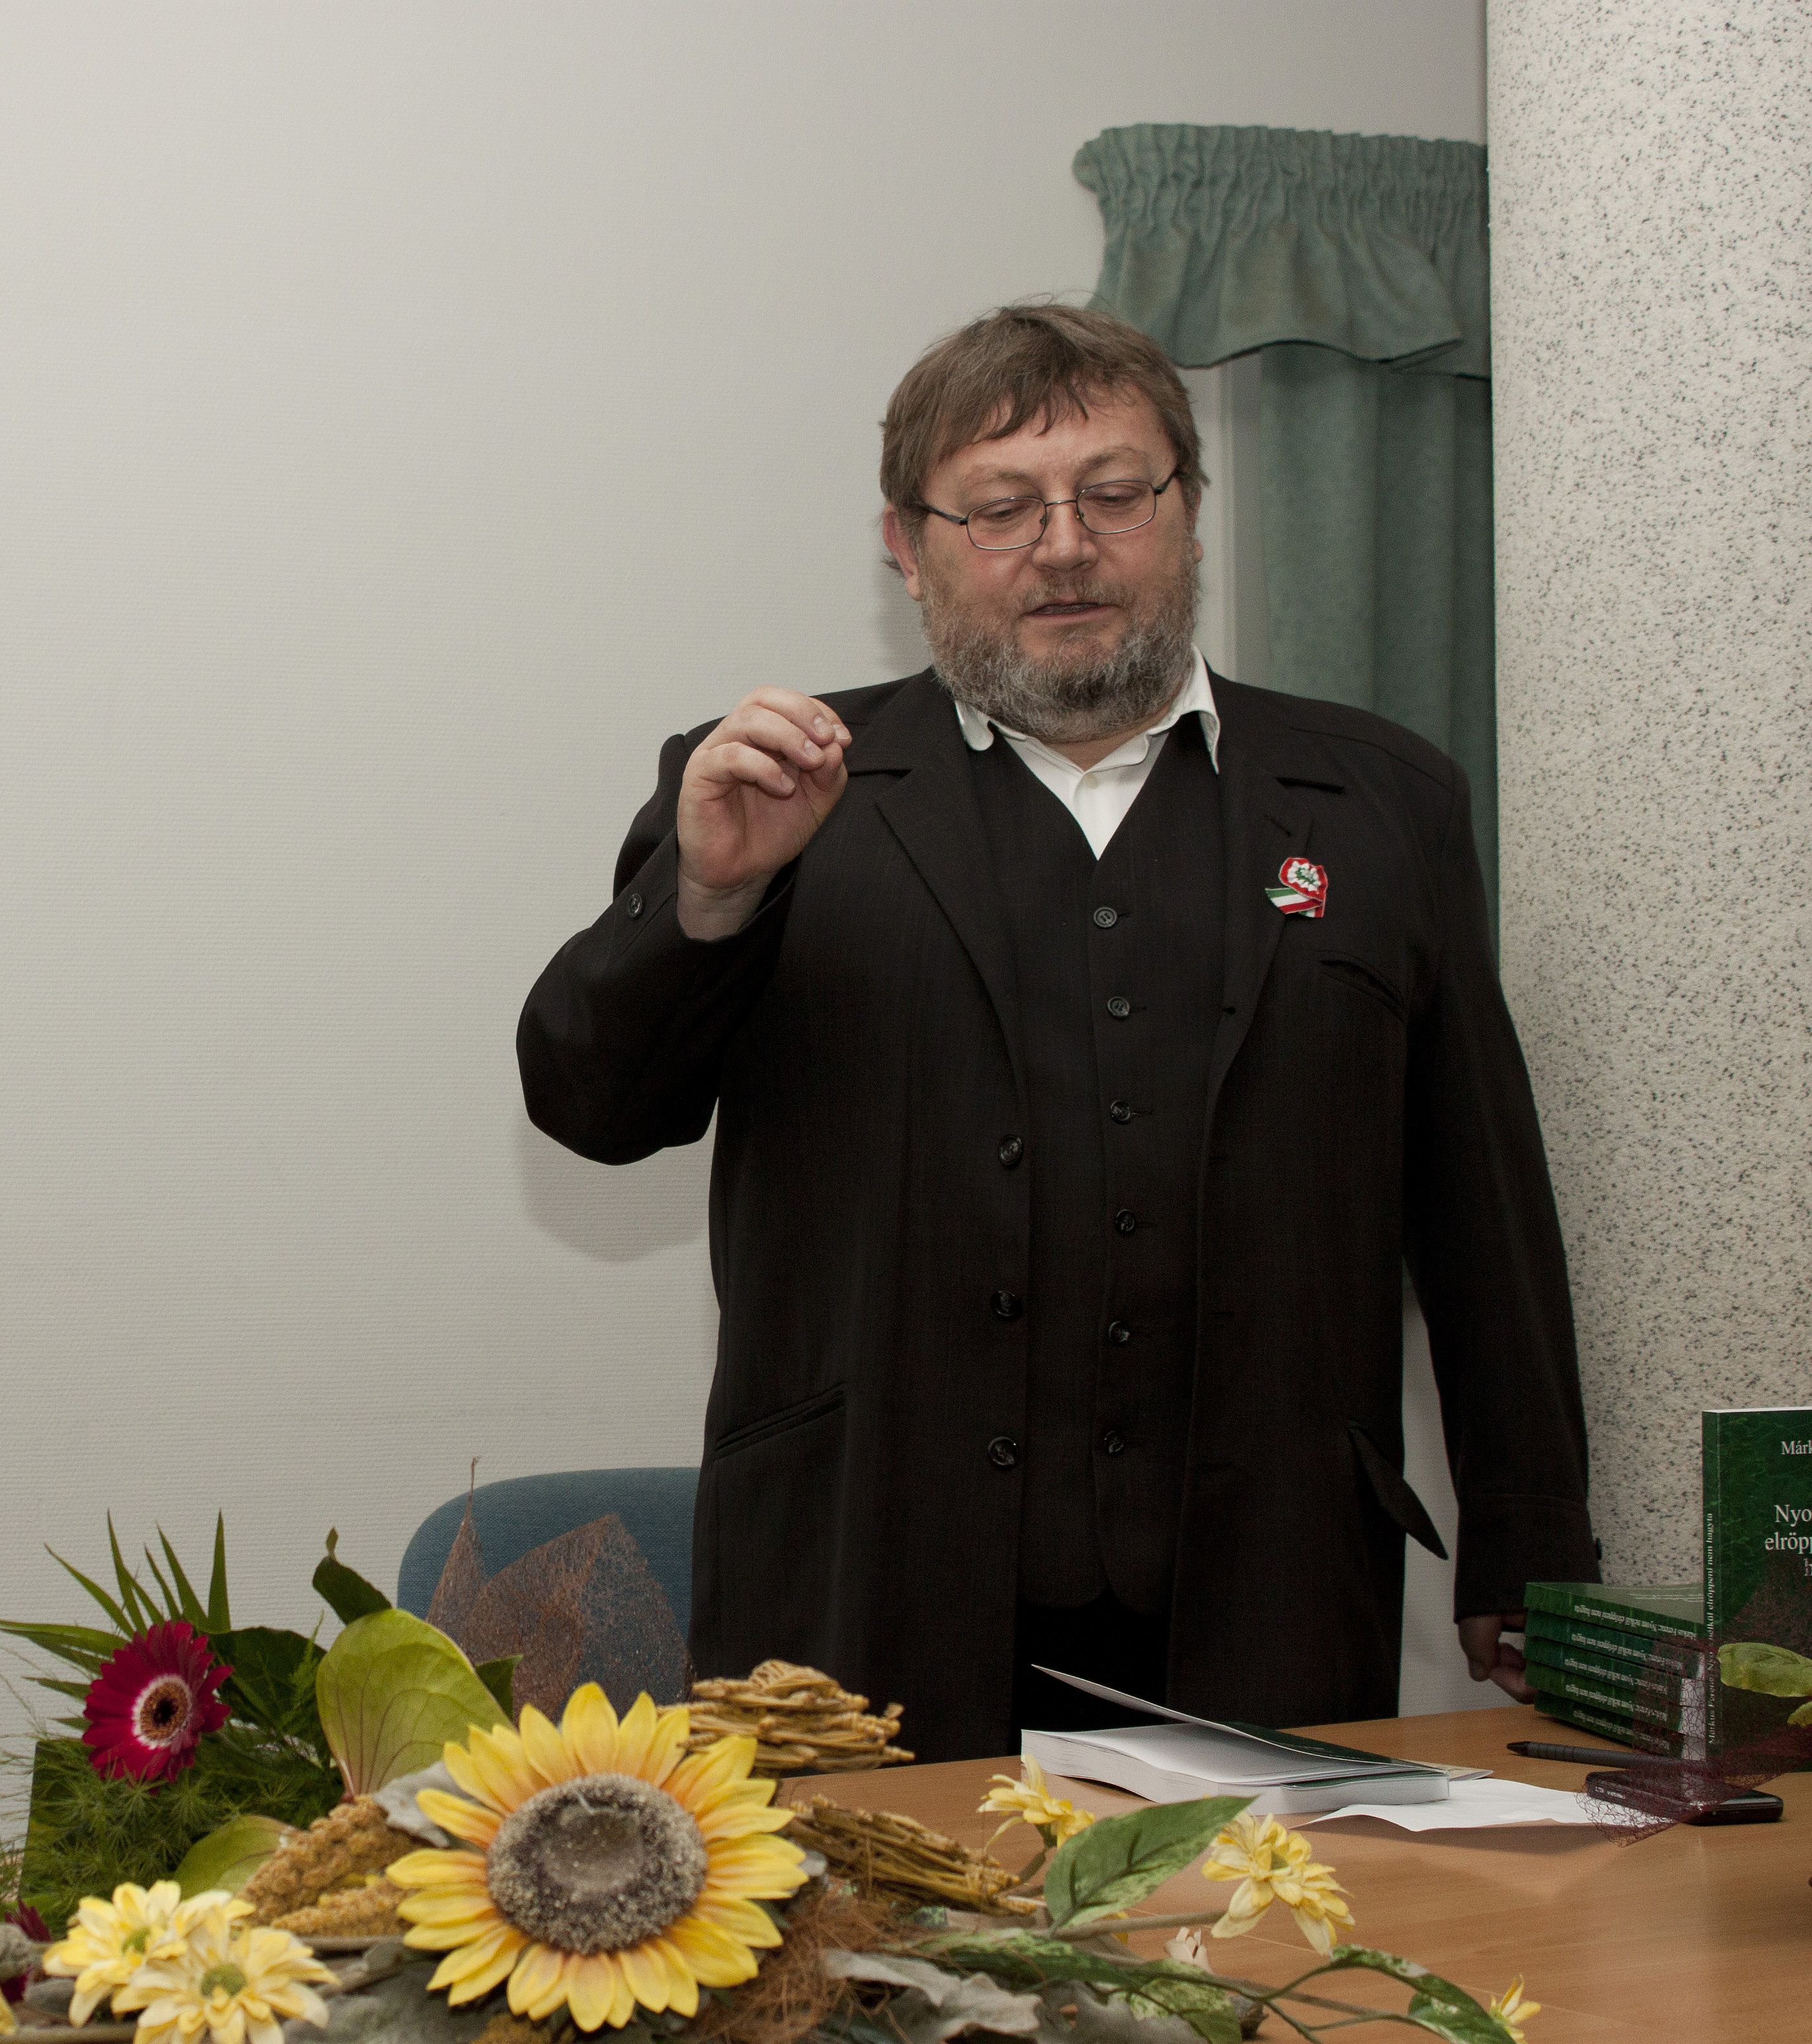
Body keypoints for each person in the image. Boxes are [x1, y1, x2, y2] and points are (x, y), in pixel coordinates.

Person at [517, 303, 1597, 1761]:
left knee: (1258, 1921)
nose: (1065, 546)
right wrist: (709, 895)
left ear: (1189, 513)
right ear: (908, 547)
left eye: (1113, 494)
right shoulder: (773, 792)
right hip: (864, 1588)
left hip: (1271, 1591)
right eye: (1003, 506)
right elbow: (592, 1104)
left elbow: (1483, 1208)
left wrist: (1531, 1545)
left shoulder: (1383, 800)